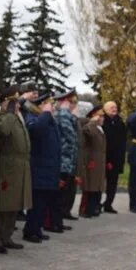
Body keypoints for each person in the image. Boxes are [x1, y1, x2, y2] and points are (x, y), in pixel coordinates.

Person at [0, 85, 30, 250]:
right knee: (4, 205)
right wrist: (9, 112)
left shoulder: (16, 117)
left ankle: (7, 237)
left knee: (14, 204)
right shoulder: (1, 116)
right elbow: (3, 131)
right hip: (6, 167)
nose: (18, 106)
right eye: (14, 102)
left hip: (19, 166)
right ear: (5, 103)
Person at [22, 92, 61, 242]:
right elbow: (35, 130)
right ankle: (30, 231)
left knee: (43, 203)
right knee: (37, 203)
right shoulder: (34, 117)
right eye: (49, 104)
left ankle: (37, 229)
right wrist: (45, 114)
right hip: (39, 168)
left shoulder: (48, 120)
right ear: (40, 106)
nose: (52, 108)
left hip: (49, 168)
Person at [54, 89, 79, 227]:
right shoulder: (63, 115)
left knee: (64, 192)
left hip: (67, 160)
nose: (73, 105)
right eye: (71, 102)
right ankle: (57, 221)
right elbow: (70, 137)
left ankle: (59, 219)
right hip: (64, 160)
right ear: (64, 101)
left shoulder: (66, 115)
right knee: (60, 193)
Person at [79, 106, 106, 217]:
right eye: (100, 116)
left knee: (97, 186)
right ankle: (85, 210)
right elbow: (85, 131)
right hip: (92, 160)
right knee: (90, 186)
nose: (103, 118)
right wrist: (91, 122)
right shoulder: (90, 127)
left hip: (99, 160)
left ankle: (94, 207)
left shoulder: (100, 128)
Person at [101, 101, 127, 213]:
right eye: (112, 107)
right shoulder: (103, 121)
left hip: (117, 158)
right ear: (105, 109)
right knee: (100, 183)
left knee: (113, 183)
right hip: (105, 158)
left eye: (116, 107)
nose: (114, 109)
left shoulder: (119, 122)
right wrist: (108, 159)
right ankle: (96, 204)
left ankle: (108, 204)